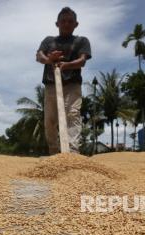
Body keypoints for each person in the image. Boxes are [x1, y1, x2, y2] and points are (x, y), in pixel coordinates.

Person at [36, 7, 91, 155]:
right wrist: (49, 60)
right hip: (51, 85)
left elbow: (82, 60)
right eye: (63, 21)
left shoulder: (81, 41)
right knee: (50, 120)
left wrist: (67, 65)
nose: (66, 24)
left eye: (70, 21)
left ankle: (72, 152)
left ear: (76, 24)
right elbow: (39, 56)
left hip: (72, 85)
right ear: (57, 23)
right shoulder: (49, 41)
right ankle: (54, 152)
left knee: (73, 115)